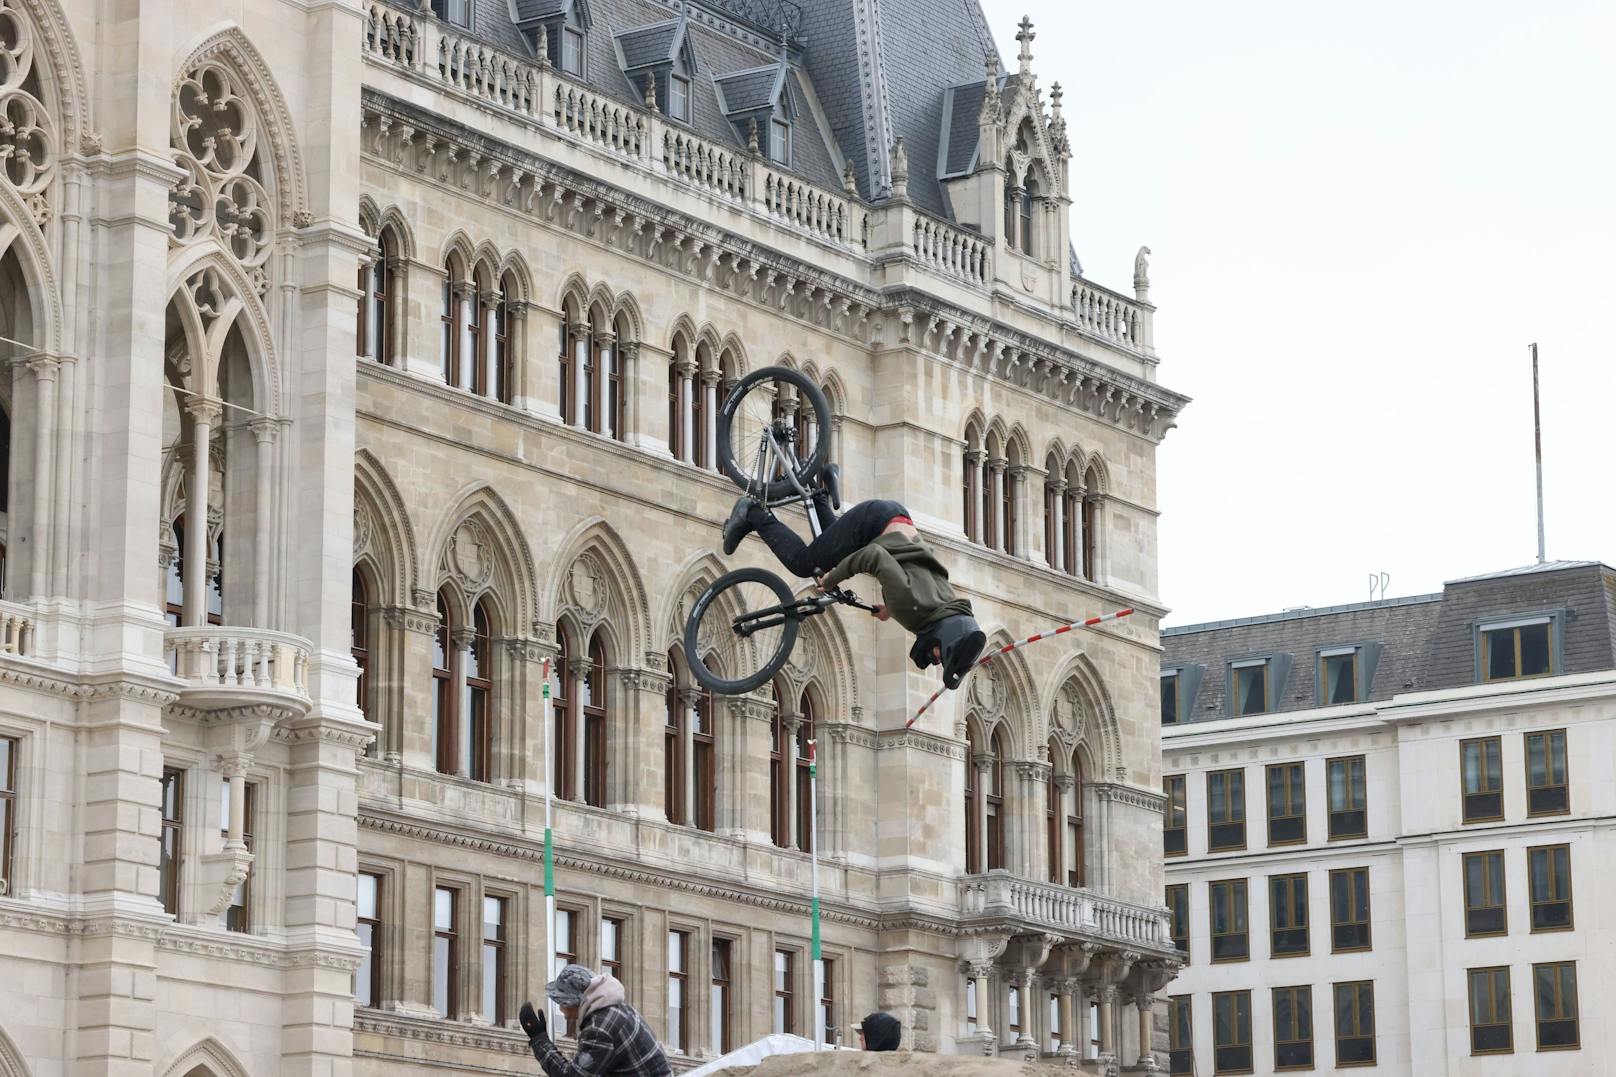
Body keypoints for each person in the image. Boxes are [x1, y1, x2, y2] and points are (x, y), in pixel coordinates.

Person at [722, 473, 986, 689]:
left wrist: (889, 609)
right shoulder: (916, 609)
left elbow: (916, 583)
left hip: (889, 519)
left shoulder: (945, 607)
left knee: (832, 551)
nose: (936, 660)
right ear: (946, 638)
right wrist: (832, 580)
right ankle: (753, 514)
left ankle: (816, 489)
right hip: (871, 526)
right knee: (805, 563)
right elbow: (874, 556)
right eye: (942, 656)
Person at [518, 963, 672, 1077]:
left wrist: (540, 1040)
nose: (561, 1010)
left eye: (562, 1003)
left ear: (576, 1002)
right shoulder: (616, 1009)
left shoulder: (600, 1029)